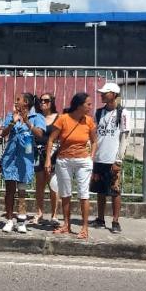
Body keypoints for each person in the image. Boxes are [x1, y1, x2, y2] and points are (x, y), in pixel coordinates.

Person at [45, 92, 98, 239]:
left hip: (83, 161)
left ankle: (84, 228)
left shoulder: (89, 121)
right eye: (88, 104)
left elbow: (94, 141)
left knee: (83, 194)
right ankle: (66, 225)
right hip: (64, 160)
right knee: (65, 193)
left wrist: (91, 157)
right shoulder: (63, 119)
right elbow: (51, 140)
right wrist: (48, 159)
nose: (90, 107)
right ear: (79, 105)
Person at [0, 93, 46, 233]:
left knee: (22, 191)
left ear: (26, 102)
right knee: (9, 190)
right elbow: (3, 134)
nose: (15, 102)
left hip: (25, 159)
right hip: (10, 158)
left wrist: (27, 123)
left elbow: (40, 134)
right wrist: (12, 122)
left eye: (18, 100)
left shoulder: (37, 117)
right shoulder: (11, 115)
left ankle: (21, 221)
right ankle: (9, 219)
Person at [92, 82, 131, 233]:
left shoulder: (123, 113)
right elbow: (94, 134)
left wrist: (118, 160)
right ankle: (100, 219)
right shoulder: (98, 113)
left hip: (112, 159)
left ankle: (115, 221)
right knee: (100, 190)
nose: (102, 95)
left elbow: (125, 137)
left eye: (105, 93)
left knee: (115, 190)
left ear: (114, 95)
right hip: (99, 158)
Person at [32, 92, 60, 226]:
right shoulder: (37, 117)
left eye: (46, 100)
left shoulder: (58, 117)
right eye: (41, 100)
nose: (43, 102)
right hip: (38, 152)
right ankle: (40, 213)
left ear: (52, 102)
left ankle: (54, 215)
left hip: (53, 153)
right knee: (40, 184)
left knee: (53, 184)